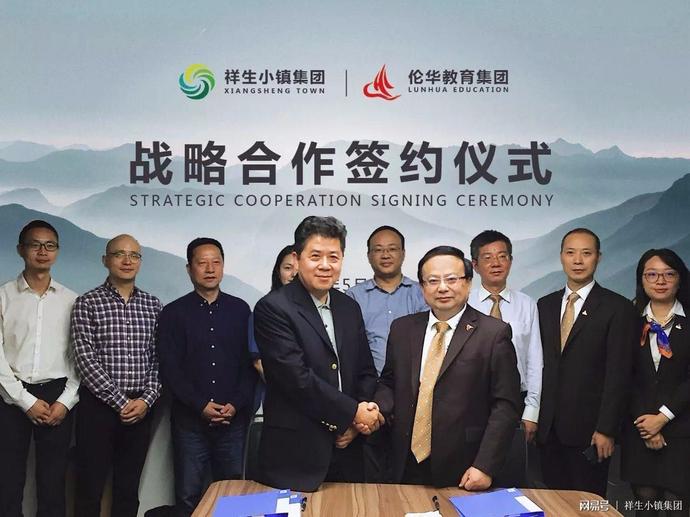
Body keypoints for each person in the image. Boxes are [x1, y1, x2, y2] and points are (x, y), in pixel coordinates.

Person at [374, 246, 521, 488]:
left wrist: (485, 465)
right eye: (433, 281)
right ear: (422, 287)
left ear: (468, 283)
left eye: (451, 279)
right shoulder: (402, 329)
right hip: (403, 461)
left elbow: (506, 405)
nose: (442, 288)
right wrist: (376, 407)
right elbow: (389, 382)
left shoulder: (494, 334)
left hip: (465, 465)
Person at [253, 216, 381, 492]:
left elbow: (366, 371)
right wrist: (352, 413)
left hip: (349, 449)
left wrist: (354, 426)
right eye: (315, 256)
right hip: (295, 454)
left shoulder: (349, 307)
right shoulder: (273, 308)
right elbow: (296, 379)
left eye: (333, 257)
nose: (325, 265)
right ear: (297, 259)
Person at [157, 238, 254, 515]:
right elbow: (170, 369)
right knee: (188, 495)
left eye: (216, 262)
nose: (210, 269)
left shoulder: (241, 310)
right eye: (202, 263)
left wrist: (235, 404)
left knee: (233, 495)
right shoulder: (173, 313)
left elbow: (250, 366)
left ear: (223, 266)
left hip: (233, 421)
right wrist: (200, 405)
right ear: (189, 268)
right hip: (190, 423)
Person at [537, 228, 636, 497]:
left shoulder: (618, 307)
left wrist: (606, 429)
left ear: (598, 257)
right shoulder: (544, 305)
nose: (578, 260)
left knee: (588, 505)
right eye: (571, 253)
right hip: (547, 431)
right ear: (561, 256)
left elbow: (619, 374)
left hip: (590, 432)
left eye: (586, 253)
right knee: (552, 504)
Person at [72, 234, 162, 517]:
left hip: (141, 408)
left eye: (134, 255)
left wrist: (146, 400)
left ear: (140, 261)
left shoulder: (153, 305)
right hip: (98, 407)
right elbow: (85, 359)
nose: (127, 260)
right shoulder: (87, 303)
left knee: (128, 488)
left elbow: (160, 358)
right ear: (105, 260)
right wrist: (121, 402)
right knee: (89, 487)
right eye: (119, 254)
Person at [0, 220, 79, 517]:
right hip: (10, 394)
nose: (43, 251)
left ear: (57, 251)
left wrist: (66, 400)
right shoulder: (3, 296)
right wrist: (24, 400)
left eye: (50, 245)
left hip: (57, 395)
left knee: (53, 482)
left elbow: (79, 356)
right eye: (35, 245)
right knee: (8, 479)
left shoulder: (72, 300)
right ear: (21, 250)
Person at [346, 225, 427, 482]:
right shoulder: (352, 297)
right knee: (370, 469)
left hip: (412, 393)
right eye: (378, 250)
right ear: (368, 255)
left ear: (403, 253)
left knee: (409, 470)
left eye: (392, 249)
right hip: (367, 396)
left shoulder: (422, 293)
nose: (385, 255)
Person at [622, 249, 690, 516]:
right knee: (645, 502)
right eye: (651, 274)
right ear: (641, 280)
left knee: (678, 505)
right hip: (639, 428)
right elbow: (622, 376)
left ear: (680, 279)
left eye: (668, 274)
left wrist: (662, 417)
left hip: (682, 428)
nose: (660, 281)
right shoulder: (627, 320)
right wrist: (646, 425)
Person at [468, 230, 543, 442]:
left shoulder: (527, 305)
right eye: (488, 258)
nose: (496, 263)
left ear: (510, 261)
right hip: (470, 399)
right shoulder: (464, 304)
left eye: (502, 256)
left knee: (512, 459)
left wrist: (531, 411)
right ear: (475, 265)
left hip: (515, 399)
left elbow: (535, 361)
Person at [249, 244, 298, 385]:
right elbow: (258, 362)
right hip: (278, 392)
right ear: (278, 271)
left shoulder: (318, 309)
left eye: (299, 269)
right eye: (287, 268)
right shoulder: (265, 308)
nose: (294, 274)